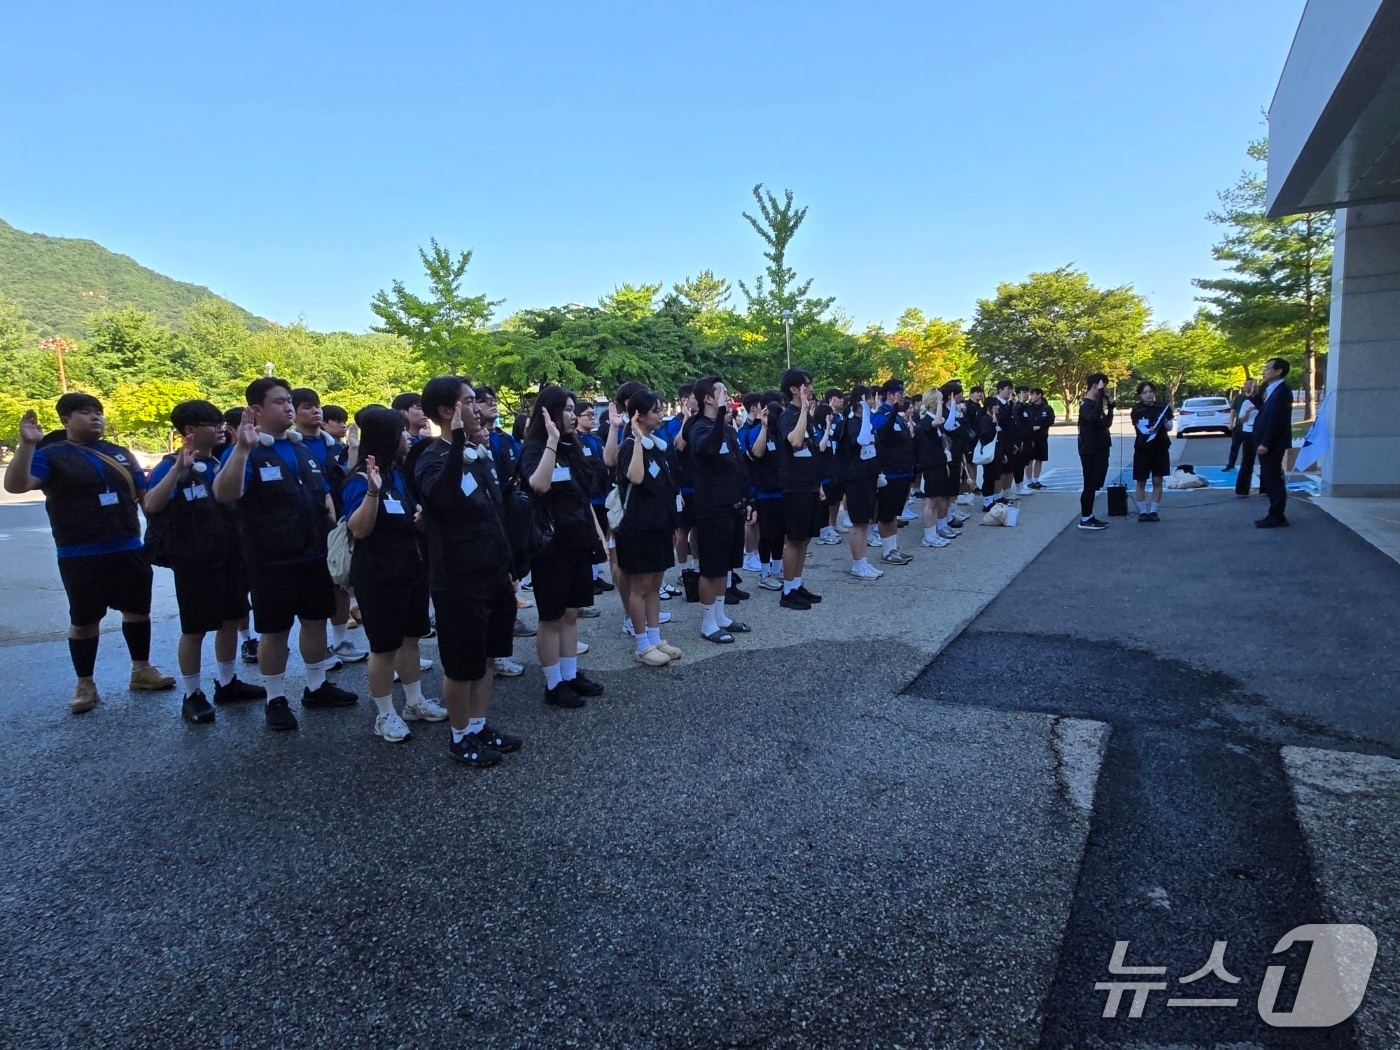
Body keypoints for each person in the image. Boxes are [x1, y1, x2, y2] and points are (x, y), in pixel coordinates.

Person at [4, 397, 175, 713]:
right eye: (85, 413)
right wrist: (27, 445)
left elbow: (146, 499)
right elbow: (17, 485)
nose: (96, 418)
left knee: (138, 612)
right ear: (66, 420)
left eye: (99, 413)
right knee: (84, 622)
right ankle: (85, 683)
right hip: (79, 552)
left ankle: (141, 670)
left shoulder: (120, 453)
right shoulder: (51, 455)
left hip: (128, 547)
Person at [213, 377, 358, 731]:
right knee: (274, 631)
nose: (288, 406)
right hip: (271, 559)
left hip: (313, 554)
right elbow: (225, 493)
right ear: (256, 410)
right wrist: (241, 449)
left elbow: (324, 493)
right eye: (279, 401)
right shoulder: (246, 450)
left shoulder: (301, 448)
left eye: (289, 400)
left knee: (315, 622)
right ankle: (275, 698)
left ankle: (316, 685)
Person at [412, 376, 522, 765]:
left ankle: (478, 725)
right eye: (470, 401)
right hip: (459, 580)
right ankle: (460, 737)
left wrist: (509, 568)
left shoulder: (479, 453)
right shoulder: (433, 456)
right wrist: (458, 441)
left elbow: (495, 515)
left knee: (488, 657)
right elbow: (440, 497)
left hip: (493, 573)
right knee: (462, 665)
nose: (478, 407)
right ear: (447, 411)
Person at [143, 399, 265, 723]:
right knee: (195, 629)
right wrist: (177, 471)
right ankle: (192, 693)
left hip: (229, 556)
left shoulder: (220, 462)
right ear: (190, 431)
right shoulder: (170, 465)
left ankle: (227, 682)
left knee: (231, 620)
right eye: (213, 425)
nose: (221, 430)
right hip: (194, 561)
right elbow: (151, 505)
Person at [342, 405, 447, 743]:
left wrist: (419, 517)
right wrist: (373, 492)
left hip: (410, 569)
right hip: (378, 576)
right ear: (387, 437)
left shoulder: (398, 474)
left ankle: (414, 702)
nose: (407, 436)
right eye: (401, 431)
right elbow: (358, 528)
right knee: (384, 647)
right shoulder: (360, 479)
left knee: (411, 638)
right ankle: (385, 713)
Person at [520, 385, 608, 703]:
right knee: (551, 616)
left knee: (571, 613)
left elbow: (583, 497)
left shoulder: (573, 447)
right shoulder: (535, 448)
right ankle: (553, 683)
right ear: (549, 413)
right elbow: (538, 485)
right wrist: (552, 442)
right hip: (550, 546)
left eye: (573, 409)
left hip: (577, 540)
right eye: (567, 409)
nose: (573, 415)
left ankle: (570, 674)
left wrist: (598, 536)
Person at [615, 389, 683, 665]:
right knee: (640, 587)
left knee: (655, 585)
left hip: (659, 525)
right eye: (656, 410)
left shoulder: (658, 446)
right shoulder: (631, 445)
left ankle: (655, 638)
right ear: (638, 416)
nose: (661, 414)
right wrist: (637, 439)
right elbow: (635, 477)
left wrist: (673, 524)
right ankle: (642, 644)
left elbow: (667, 487)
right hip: (638, 528)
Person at [687, 376, 754, 644]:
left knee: (725, 566)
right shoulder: (698, 427)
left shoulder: (727, 428)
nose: (727, 396)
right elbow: (708, 448)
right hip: (711, 508)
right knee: (711, 567)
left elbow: (740, 466)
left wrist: (749, 500)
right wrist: (720, 419)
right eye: (722, 392)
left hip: (733, 505)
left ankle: (720, 615)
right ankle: (707, 623)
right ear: (708, 399)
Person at [776, 369, 826, 607]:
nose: (811, 388)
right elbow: (795, 442)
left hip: (809, 485)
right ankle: (787, 591)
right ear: (794, 389)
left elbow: (813, 450)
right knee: (794, 539)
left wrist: (819, 484)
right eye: (806, 384)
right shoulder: (788, 415)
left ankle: (797, 583)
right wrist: (805, 410)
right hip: (794, 486)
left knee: (805, 539)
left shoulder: (806, 416)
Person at [871, 379, 916, 566]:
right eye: (900, 392)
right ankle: (886, 551)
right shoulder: (882, 414)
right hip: (890, 473)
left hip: (903, 472)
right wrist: (893, 411)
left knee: (894, 514)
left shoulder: (897, 416)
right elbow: (881, 434)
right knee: (886, 514)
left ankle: (893, 548)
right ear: (890, 395)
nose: (903, 396)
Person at [1252, 357, 1294, 528]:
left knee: (1273, 478)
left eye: (1267, 368)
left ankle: (1277, 515)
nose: (1264, 371)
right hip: (1267, 442)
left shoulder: (1282, 392)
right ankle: (1274, 513)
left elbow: (1276, 420)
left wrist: (1266, 443)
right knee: (1269, 478)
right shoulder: (1272, 390)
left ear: (1278, 371)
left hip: (1272, 444)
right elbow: (1264, 412)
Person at [1130, 382, 1173, 522]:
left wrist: (1164, 421)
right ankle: (1143, 511)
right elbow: (1139, 427)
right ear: (1140, 395)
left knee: (1157, 480)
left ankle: (1154, 511)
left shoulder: (1163, 407)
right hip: (1143, 449)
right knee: (1141, 480)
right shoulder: (1137, 409)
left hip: (1160, 447)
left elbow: (1170, 427)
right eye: (1145, 392)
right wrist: (1149, 431)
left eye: (1150, 391)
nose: (1148, 395)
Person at [1076, 372, 1114, 530]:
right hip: (1090, 451)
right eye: (1103, 387)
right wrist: (1101, 396)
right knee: (1089, 486)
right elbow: (1092, 418)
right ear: (1095, 386)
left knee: (1095, 484)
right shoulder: (1086, 405)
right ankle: (1085, 518)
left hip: (1101, 449)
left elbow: (1106, 423)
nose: (1104, 391)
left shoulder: (1095, 406)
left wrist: (1110, 408)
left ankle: (1090, 515)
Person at [1233, 387, 1262, 499]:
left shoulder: (1265, 402)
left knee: (1265, 461)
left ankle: (1265, 489)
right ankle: (1242, 489)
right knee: (1247, 460)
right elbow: (1241, 419)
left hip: (1261, 432)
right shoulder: (1247, 402)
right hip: (1249, 431)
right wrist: (1248, 411)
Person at [1224, 378, 1258, 472]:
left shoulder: (1256, 398)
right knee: (1234, 446)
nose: (1246, 386)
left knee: (1247, 449)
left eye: (1249, 384)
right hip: (1239, 426)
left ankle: (1246, 466)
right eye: (1245, 384)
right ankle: (1230, 464)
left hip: (1251, 427)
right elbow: (1233, 411)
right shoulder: (1239, 398)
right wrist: (1231, 423)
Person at [1027, 388, 1055, 489]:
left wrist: (1040, 426)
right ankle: (1029, 481)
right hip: (1030, 437)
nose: (1032, 397)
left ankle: (1036, 480)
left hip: (1042, 437)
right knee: (1029, 460)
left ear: (1039, 395)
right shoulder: (1028, 407)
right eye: (1031, 394)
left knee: (1039, 459)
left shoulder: (1047, 408)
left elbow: (1051, 420)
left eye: (1034, 394)